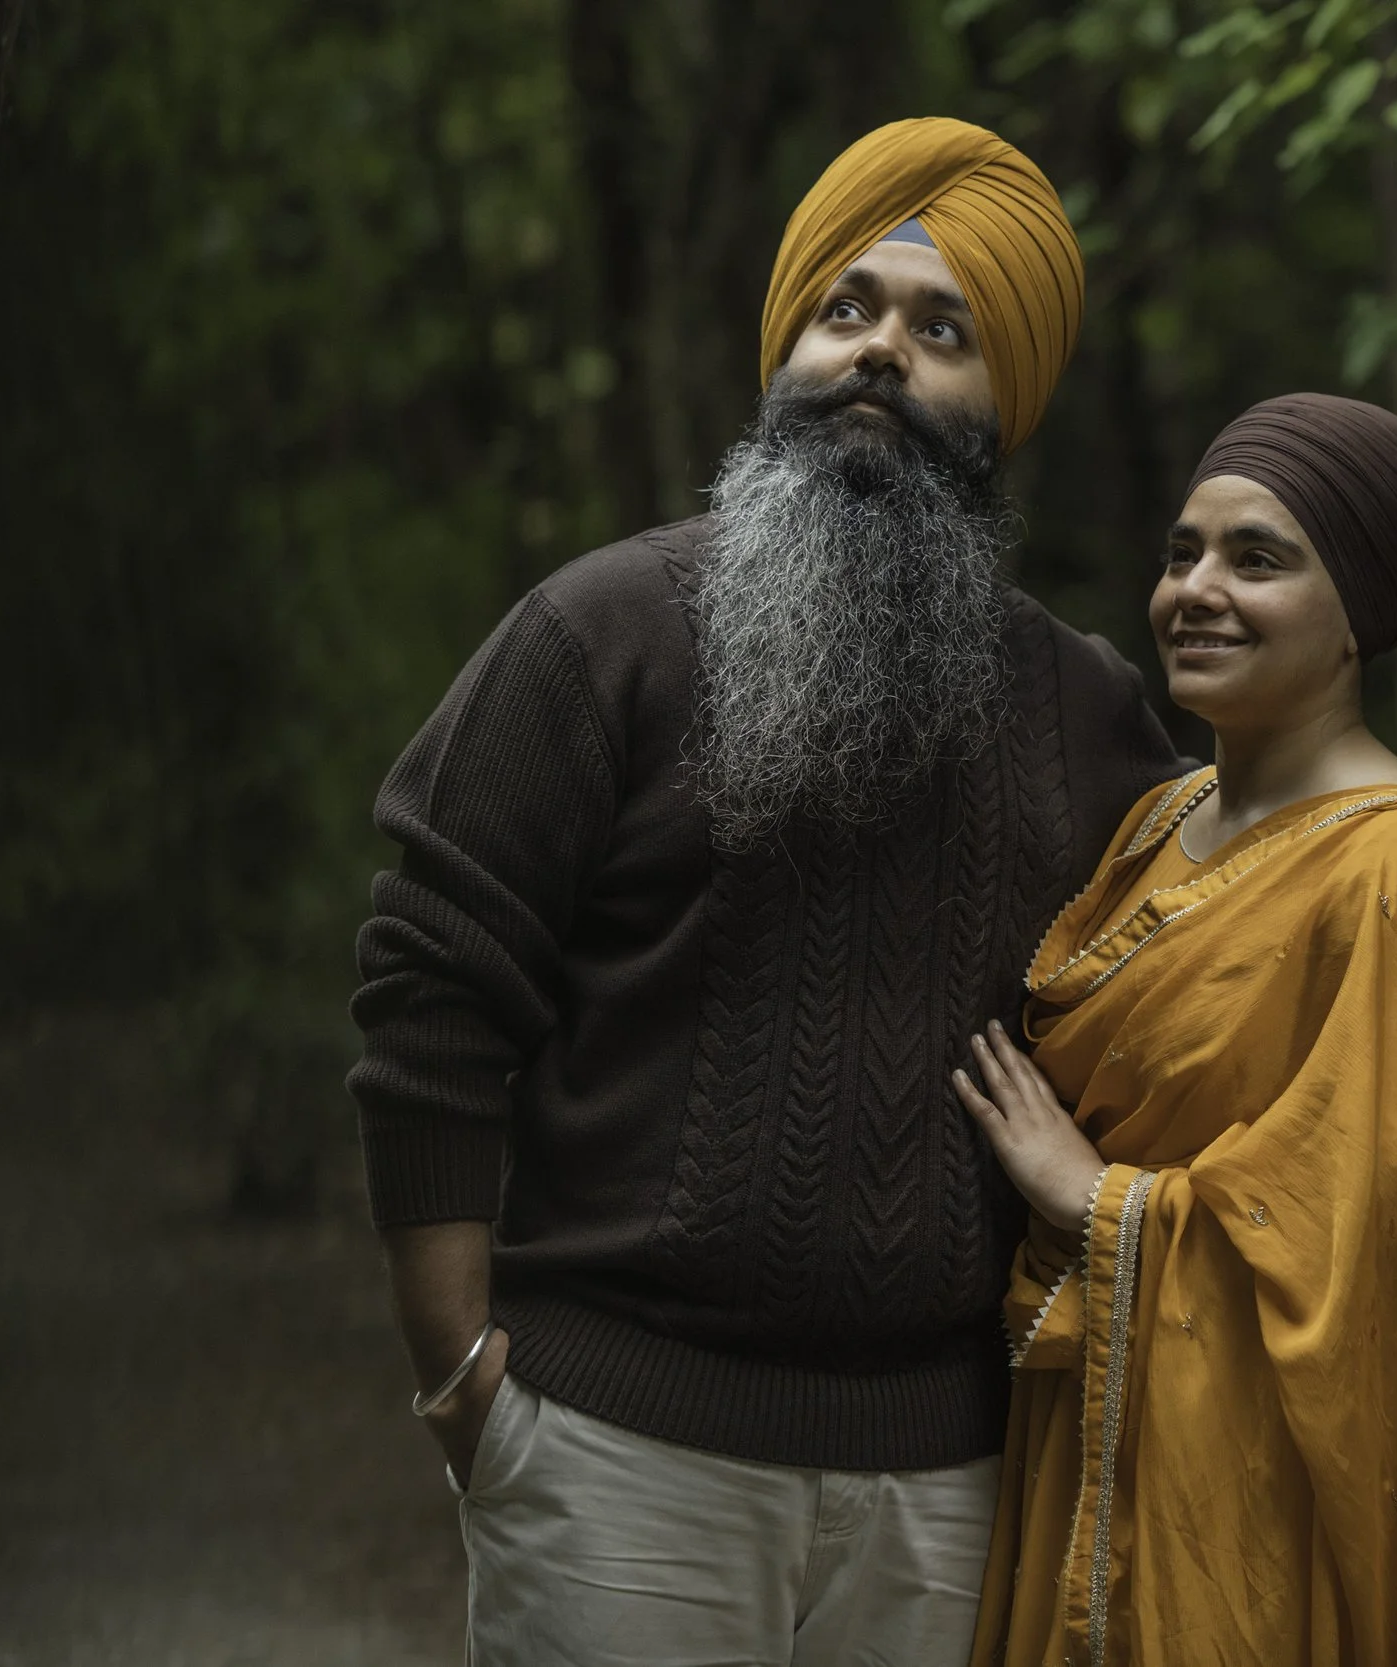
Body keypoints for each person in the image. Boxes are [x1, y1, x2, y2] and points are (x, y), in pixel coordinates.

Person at [345, 116, 1183, 1666]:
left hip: (956, 1488)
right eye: (845, 309)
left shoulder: (1093, 715)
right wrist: (460, 1369)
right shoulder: (595, 636)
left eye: (945, 331)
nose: (882, 355)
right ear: (784, 345)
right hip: (616, 1458)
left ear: (1011, 403)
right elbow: (430, 992)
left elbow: (1187, 1023)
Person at [953, 394, 1397, 1666]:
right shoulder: (1156, 823)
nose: (1198, 589)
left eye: (1258, 559)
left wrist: (1099, 1196)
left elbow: (1371, 1243)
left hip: (1273, 1502)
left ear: (1360, 619)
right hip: (1090, 1442)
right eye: (1184, 552)